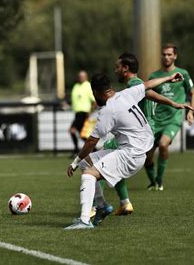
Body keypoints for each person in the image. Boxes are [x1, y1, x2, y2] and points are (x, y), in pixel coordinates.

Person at [65, 71, 186, 230]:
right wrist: (169, 78)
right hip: (134, 150)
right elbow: (148, 84)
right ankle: (101, 207)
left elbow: (91, 141)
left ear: (96, 92)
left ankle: (84, 220)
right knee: (86, 165)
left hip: (131, 154)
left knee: (89, 173)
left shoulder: (108, 110)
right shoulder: (127, 93)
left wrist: (74, 162)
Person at [96, 52, 193, 216]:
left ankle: (97, 206)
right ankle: (124, 203)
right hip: (145, 132)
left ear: (125, 68)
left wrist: (174, 104)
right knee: (113, 159)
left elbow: (150, 94)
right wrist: (173, 103)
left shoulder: (135, 83)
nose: (115, 71)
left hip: (141, 134)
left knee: (101, 157)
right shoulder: (138, 83)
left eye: (117, 67)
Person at [146, 43, 194, 191]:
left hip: (173, 119)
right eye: (164, 54)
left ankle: (160, 180)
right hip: (155, 120)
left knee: (163, 144)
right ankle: (153, 182)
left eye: (169, 54)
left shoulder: (183, 74)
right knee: (146, 156)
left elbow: (193, 93)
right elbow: (147, 95)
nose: (166, 57)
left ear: (175, 56)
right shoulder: (154, 76)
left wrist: (190, 111)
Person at [69, 70, 96, 156]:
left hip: (84, 113)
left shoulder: (88, 86)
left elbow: (94, 101)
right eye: (80, 76)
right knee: (83, 135)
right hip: (77, 113)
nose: (81, 78)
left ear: (86, 77)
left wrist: (90, 111)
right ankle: (94, 150)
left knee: (72, 130)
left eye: (83, 76)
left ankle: (76, 150)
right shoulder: (76, 86)